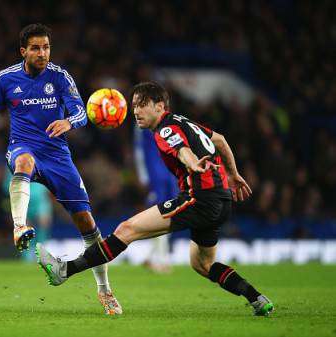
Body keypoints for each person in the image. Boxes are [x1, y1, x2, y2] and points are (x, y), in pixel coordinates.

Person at [37, 82, 274, 316]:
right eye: (134, 106)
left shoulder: (165, 129)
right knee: (202, 264)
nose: (136, 111)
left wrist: (193, 164)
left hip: (199, 198)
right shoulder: (184, 121)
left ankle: (64, 270)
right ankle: (257, 298)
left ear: (160, 106)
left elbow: (183, 151)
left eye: (142, 105)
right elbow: (220, 139)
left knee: (127, 229)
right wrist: (233, 174)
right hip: (221, 200)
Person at [0, 23, 121, 315]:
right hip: (22, 146)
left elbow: (80, 111)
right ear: (23, 50)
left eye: (46, 47)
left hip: (57, 155)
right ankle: (19, 226)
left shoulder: (60, 78)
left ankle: (105, 290)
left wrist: (69, 122)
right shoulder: (6, 79)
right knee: (23, 163)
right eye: (36, 48)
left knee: (87, 223)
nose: (42, 53)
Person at [134, 125, 178, 273]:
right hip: (155, 175)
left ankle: (152, 256)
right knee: (160, 213)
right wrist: (143, 176)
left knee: (172, 213)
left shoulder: (169, 121)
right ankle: (162, 260)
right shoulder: (141, 124)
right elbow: (139, 150)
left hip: (171, 173)